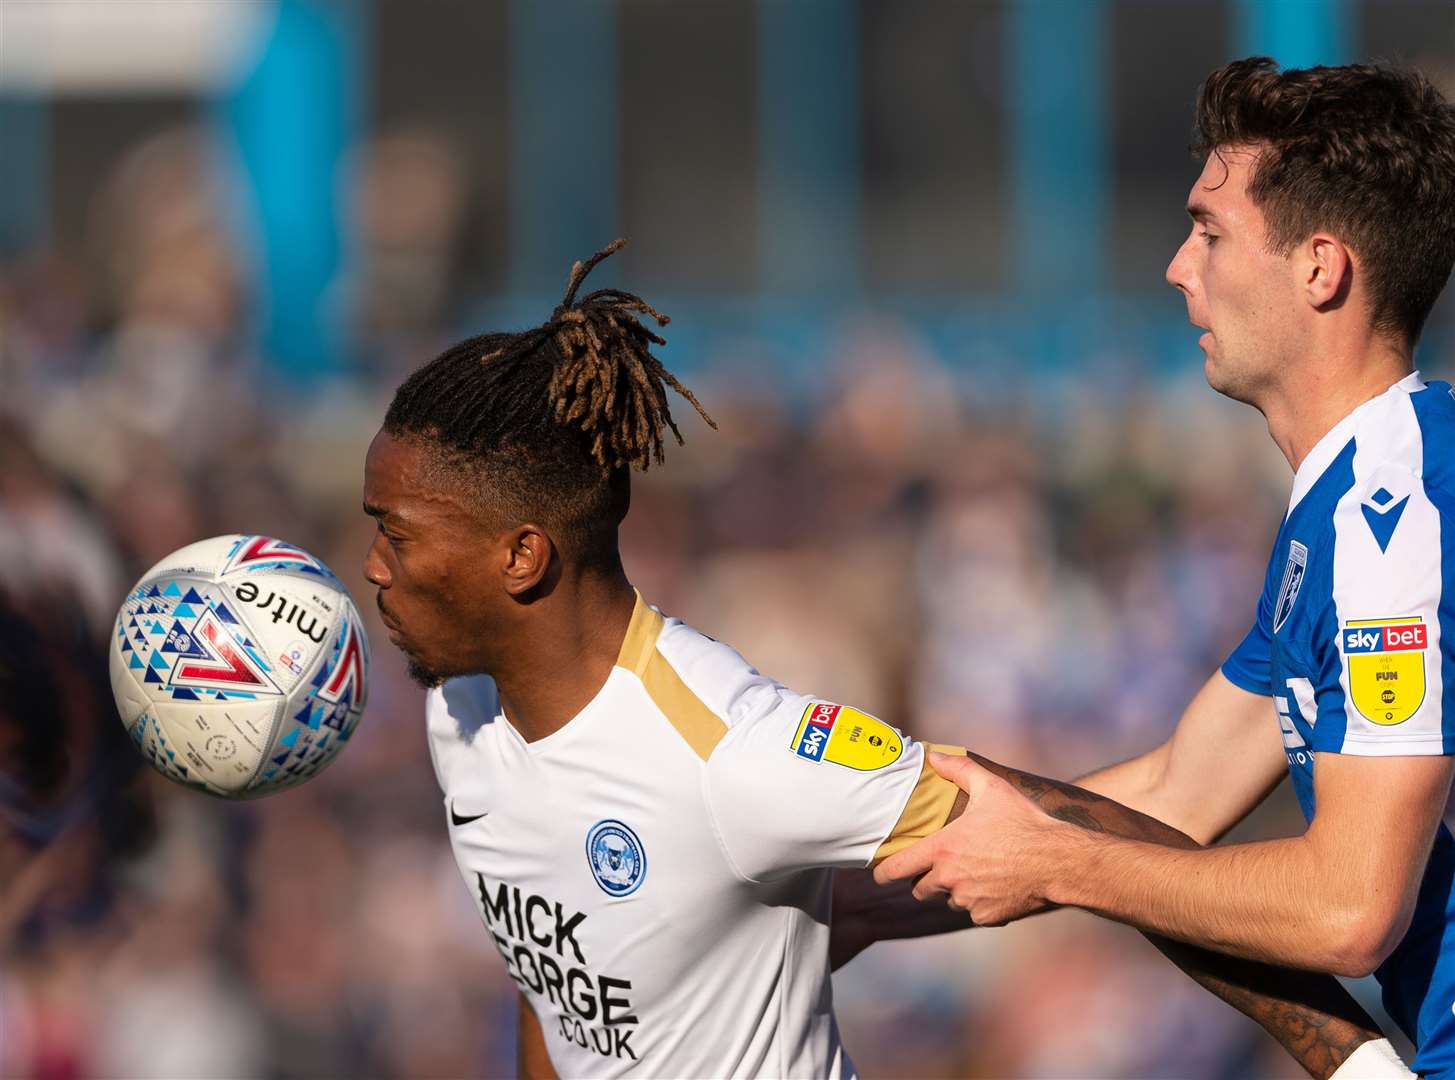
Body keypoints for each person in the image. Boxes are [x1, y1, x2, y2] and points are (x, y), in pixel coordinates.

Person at [363, 240, 1393, 1077]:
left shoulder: (732, 750)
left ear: (522, 557)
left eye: (397, 537)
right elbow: (562, 992)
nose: (373, 569)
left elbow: (1053, 833)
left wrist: (1347, 1062)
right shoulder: (462, 720)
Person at [876, 56, 1455, 1078]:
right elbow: (1176, 792)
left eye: (1210, 232)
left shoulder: (1393, 513)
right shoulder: (1353, 496)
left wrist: (1062, 864)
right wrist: (861, 897)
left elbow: (1350, 909)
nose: (1178, 267)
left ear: (1321, 269)